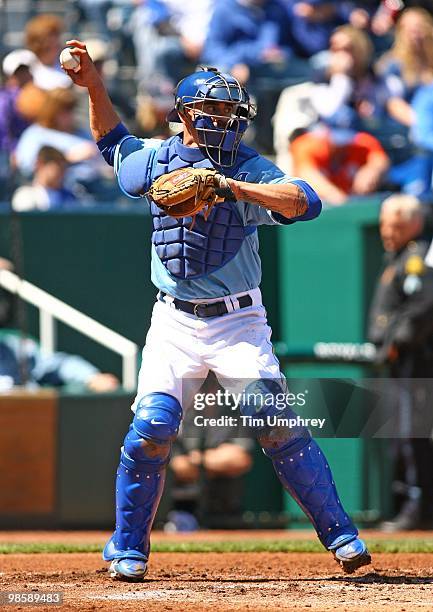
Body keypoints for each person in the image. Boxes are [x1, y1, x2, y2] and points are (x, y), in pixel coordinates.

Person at [62, 39, 371, 581]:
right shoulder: (159, 158)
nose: (225, 121)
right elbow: (113, 144)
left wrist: (229, 188)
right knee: (152, 429)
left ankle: (342, 537)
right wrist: (94, 87)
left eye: (232, 112)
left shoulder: (248, 166)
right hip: (174, 320)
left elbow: (306, 202)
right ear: (184, 114)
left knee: (272, 420)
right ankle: (127, 548)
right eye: (214, 110)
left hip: (237, 321)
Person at [368, 194, 433, 530]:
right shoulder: (397, 257)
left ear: (414, 224)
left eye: (394, 225)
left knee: (414, 435)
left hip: (417, 363)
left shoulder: (420, 257)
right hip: (400, 365)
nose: (386, 231)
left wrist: (396, 343)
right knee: (402, 436)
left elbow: (422, 306)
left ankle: (418, 509)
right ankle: (412, 506)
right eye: (383, 224)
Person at [290, 126, 390, 205]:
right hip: (320, 208)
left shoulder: (360, 142)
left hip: (352, 201)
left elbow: (381, 160)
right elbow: (308, 174)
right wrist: (336, 197)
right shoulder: (306, 144)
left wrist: (372, 170)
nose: (340, 148)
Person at [12, 146, 80, 211]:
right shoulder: (25, 195)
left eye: (64, 168)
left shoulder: (69, 196)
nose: (63, 173)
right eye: (59, 167)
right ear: (40, 164)